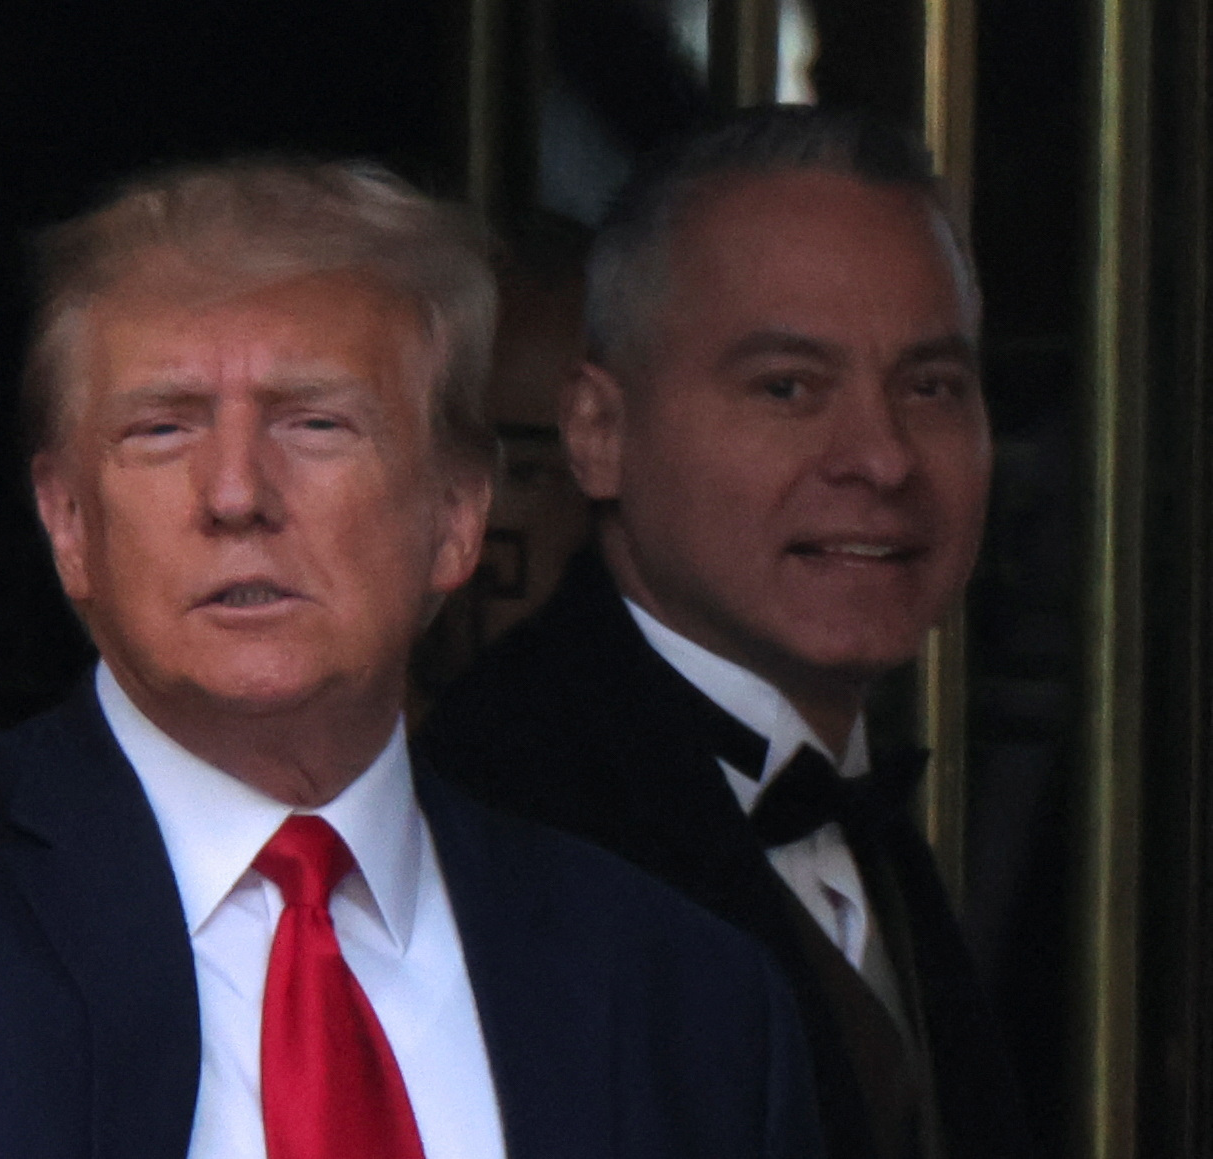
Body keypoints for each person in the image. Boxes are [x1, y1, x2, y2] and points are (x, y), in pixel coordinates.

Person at [0, 160, 821, 1158]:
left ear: (454, 516)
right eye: (162, 429)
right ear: (67, 523)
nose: (234, 491)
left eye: (313, 421)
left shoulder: (682, 1002)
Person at [420, 107, 1031, 1159]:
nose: (880, 459)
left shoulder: (854, 807)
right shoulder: (487, 824)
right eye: (787, 388)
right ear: (597, 433)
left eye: (929, 387)